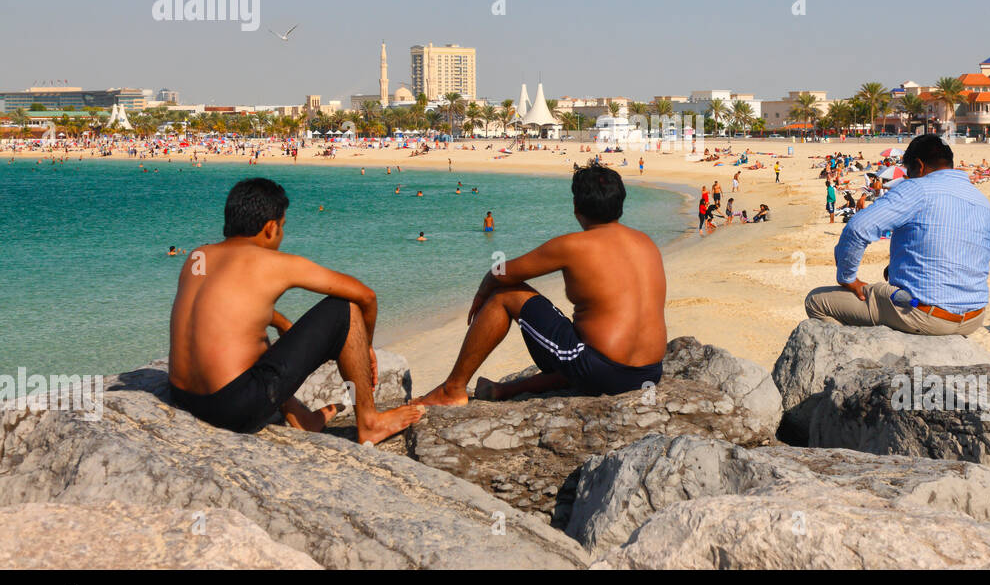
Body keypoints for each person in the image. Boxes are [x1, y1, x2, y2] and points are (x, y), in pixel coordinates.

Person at [168, 178, 424, 443]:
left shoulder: (197, 256)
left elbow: (225, 308)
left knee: (250, 339)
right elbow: (366, 296)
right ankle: (370, 421)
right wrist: (365, 346)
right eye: (282, 227)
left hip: (183, 396)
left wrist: (279, 321)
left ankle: (301, 416)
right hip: (234, 409)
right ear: (270, 229)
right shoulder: (274, 263)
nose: (281, 235)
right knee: (344, 307)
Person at [412, 165, 667, 405]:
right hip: (649, 373)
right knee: (581, 344)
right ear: (620, 203)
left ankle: (452, 389)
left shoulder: (573, 245)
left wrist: (482, 294)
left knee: (506, 294)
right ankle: (506, 390)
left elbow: (500, 272)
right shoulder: (646, 243)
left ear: (576, 205)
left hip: (602, 371)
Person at [804, 134, 990, 336]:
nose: (908, 176)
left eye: (909, 171)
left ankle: (858, 355)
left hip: (925, 315)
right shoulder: (979, 199)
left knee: (817, 301)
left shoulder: (918, 188)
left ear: (919, 166)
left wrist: (847, 277)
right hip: (973, 317)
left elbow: (857, 229)